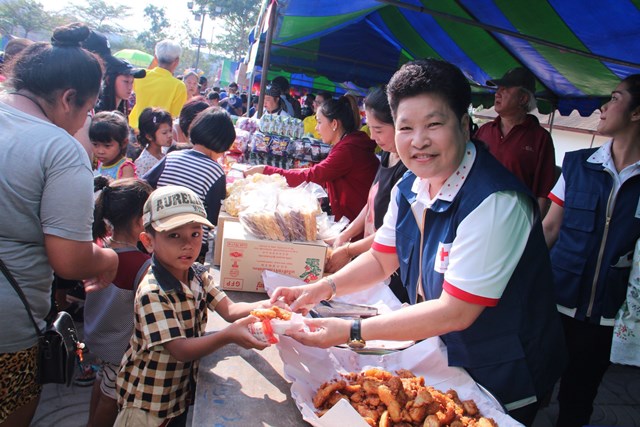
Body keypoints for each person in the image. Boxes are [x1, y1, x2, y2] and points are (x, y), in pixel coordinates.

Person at [272, 59, 566, 426]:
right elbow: (381, 259)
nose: (419, 140)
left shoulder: (495, 201)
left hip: (503, 368)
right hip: (444, 353)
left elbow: (455, 311)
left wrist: (352, 331)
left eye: (434, 124)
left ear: (464, 125)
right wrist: (319, 289)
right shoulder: (410, 186)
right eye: (406, 127)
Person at [0, 22, 118, 427]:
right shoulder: (58, 149)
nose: (85, 121)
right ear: (69, 98)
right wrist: (108, 261)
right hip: (7, 328)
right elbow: (69, 259)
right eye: (88, 111)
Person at [114, 185, 275, 427]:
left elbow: (229, 310)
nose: (188, 245)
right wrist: (229, 336)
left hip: (178, 393)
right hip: (148, 402)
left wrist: (271, 305)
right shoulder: (153, 292)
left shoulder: (197, 275)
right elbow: (180, 349)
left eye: (195, 234)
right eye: (174, 235)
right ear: (148, 241)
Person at [542, 74, 640, 427]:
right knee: (533, 384)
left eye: (615, 98)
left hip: (607, 314)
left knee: (579, 397)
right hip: (557, 300)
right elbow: (550, 228)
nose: (603, 107)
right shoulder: (577, 165)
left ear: (636, 113)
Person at [326, 87, 409, 303]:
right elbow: (371, 203)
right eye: (370, 128)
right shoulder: (387, 154)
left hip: (391, 273)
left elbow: (392, 232)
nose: (372, 137)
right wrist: (344, 235)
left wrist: (349, 250)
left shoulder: (410, 170)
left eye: (379, 130)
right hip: (372, 257)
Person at [84, 178, 153, 427]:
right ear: (140, 221)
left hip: (98, 336)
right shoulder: (140, 264)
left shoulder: (100, 248)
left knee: (102, 381)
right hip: (119, 347)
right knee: (111, 396)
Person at [246, 94, 379, 223]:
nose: (316, 128)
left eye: (319, 122)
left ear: (334, 124)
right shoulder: (347, 145)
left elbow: (313, 175)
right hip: (354, 219)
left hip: (356, 223)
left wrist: (266, 171)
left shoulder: (347, 150)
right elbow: (317, 174)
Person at [143, 107, 235, 262]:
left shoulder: (171, 157)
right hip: (191, 246)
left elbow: (145, 184)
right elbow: (213, 218)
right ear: (224, 144)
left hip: (161, 235)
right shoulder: (215, 171)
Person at [474, 67, 556, 217]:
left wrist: (533, 226)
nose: (497, 93)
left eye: (505, 89)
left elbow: (543, 193)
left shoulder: (540, 138)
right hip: (476, 213)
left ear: (523, 98)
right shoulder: (484, 131)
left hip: (515, 219)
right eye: (498, 89)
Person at [128, 39, 187, 130]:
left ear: (155, 58)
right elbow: (174, 117)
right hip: (158, 134)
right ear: (176, 61)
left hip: (134, 128)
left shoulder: (141, 75)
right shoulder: (179, 86)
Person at [91, 111, 137, 179]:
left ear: (123, 143)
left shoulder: (126, 168)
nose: (100, 151)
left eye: (107, 146)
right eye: (95, 144)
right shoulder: (100, 163)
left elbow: (126, 186)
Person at [134, 108, 173, 176]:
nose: (170, 135)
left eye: (170, 130)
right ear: (149, 136)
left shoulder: (166, 151)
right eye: (164, 133)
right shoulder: (143, 163)